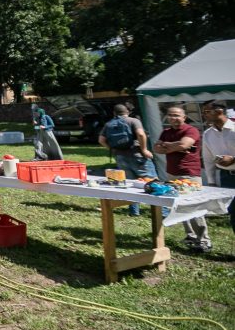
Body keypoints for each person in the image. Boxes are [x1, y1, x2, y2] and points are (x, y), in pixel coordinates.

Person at [153, 106, 209, 252]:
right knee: (179, 206)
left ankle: (203, 241)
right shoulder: (166, 132)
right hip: (172, 173)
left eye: (177, 115)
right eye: (171, 115)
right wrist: (176, 146)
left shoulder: (191, 130)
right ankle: (190, 236)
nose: (174, 118)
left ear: (184, 117)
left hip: (189, 174)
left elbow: (185, 144)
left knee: (194, 207)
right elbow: (156, 148)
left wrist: (170, 146)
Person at [98, 104, 154, 216]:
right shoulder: (133, 121)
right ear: (128, 111)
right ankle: (162, 212)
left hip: (120, 157)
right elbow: (141, 134)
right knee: (153, 182)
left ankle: (134, 212)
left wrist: (112, 149)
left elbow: (101, 140)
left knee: (130, 184)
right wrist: (144, 149)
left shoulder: (109, 124)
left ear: (114, 113)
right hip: (137, 156)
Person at [200, 101, 235, 234]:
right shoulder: (208, 134)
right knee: (233, 213)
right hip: (226, 178)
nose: (204, 115)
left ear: (219, 111)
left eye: (207, 111)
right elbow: (208, 160)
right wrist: (211, 182)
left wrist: (233, 159)